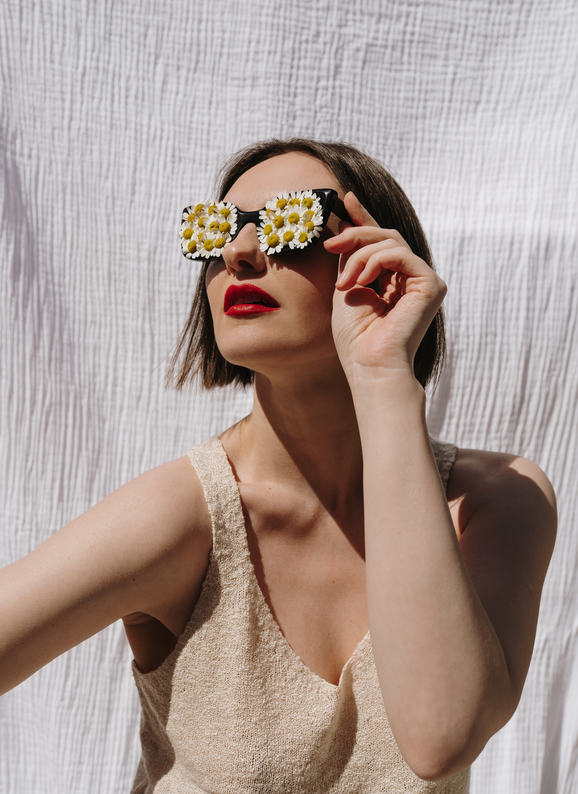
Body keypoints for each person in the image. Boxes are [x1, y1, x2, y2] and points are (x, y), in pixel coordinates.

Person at [0, 138, 557, 793]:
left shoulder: (495, 504)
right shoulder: (184, 518)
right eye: (215, 231)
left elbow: (440, 738)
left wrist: (382, 377)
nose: (239, 252)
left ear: (378, 262)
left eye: (289, 224)